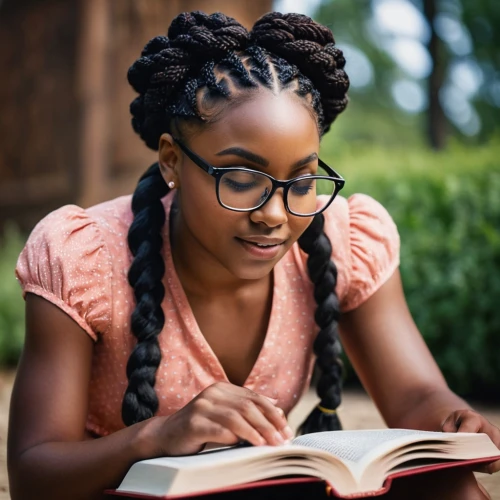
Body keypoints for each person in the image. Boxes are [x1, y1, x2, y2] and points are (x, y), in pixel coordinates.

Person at [7, 10, 499, 500]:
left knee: (449, 483)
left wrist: (451, 418)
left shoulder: (341, 243)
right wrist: (156, 437)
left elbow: (415, 396)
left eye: (303, 182)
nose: (275, 214)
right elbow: (34, 474)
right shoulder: (86, 257)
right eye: (242, 180)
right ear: (172, 161)